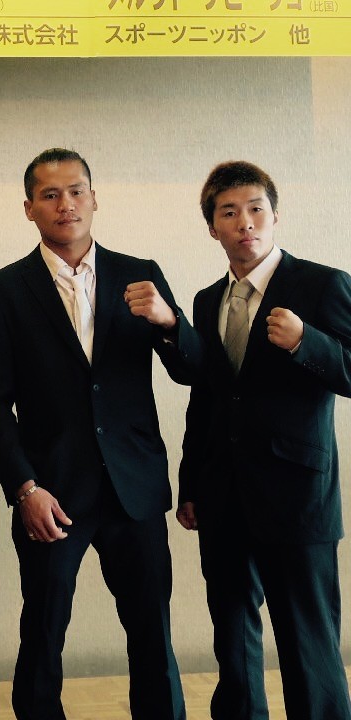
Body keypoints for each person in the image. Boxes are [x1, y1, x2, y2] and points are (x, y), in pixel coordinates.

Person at [0, 148, 200, 720]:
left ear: (94, 198)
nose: (65, 204)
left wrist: (170, 322)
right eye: (50, 195)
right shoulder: (2, 290)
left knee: (152, 634)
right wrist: (24, 488)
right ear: (29, 208)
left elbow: (193, 371)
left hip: (133, 487)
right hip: (51, 493)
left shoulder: (139, 274)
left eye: (76, 191)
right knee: (43, 634)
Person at [177, 160, 351, 720]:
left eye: (256, 209)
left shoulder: (322, 284)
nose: (245, 222)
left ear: (275, 217)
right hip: (223, 495)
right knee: (232, 639)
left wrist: (306, 342)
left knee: (308, 644)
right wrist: (191, 484)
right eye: (229, 213)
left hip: (297, 497)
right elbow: (206, 398)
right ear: (213, 228)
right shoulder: (207, 300)